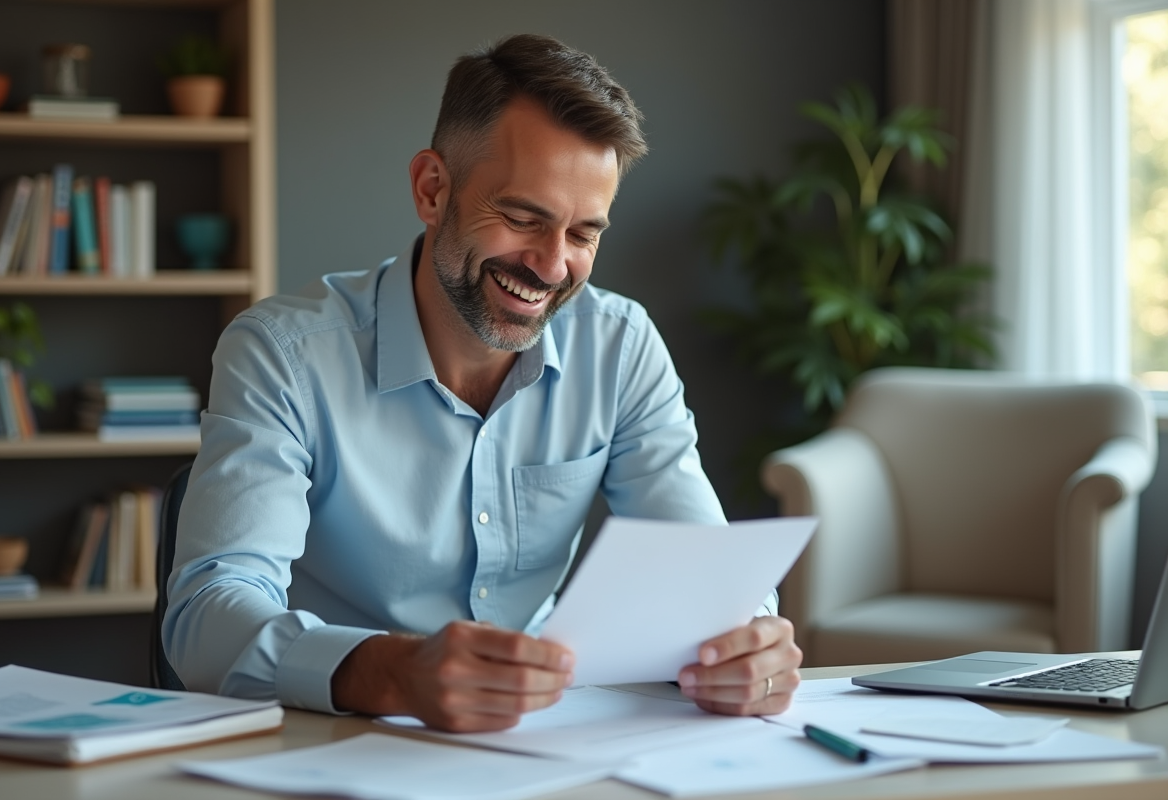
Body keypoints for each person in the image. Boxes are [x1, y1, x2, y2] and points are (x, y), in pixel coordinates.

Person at [164, 33, 801, 734]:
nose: (552, 267)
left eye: (583, 234)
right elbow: (206, 617)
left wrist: (747, 639)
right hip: (338, 737)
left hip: (546, 737)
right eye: (523, 218)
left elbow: (702, 570)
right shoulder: (282, 353)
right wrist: (395, 673)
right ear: (432, 190)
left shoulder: (619, 345)